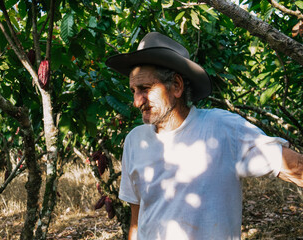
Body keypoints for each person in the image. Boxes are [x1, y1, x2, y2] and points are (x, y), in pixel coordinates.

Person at [105, 32, 303, 240]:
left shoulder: (223, 129)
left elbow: (295, 167)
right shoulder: (135, 141)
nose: (137, 101)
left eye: (145, 88)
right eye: (133, 90)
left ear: (177, 86)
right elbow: (137, 220)